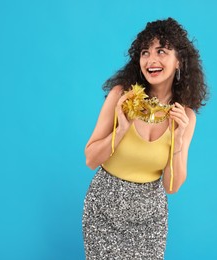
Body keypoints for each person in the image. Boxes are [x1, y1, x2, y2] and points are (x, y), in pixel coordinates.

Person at [82, 17, 208, 259]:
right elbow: (90, 159)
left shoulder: (186, 117)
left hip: (149, 219)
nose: (151, 60)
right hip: (104, 211)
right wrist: (120, 131)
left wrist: (178, 140)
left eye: (161, 51)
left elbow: (171, 187)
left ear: (179, 60)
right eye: (145, 52)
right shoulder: (121, 96)